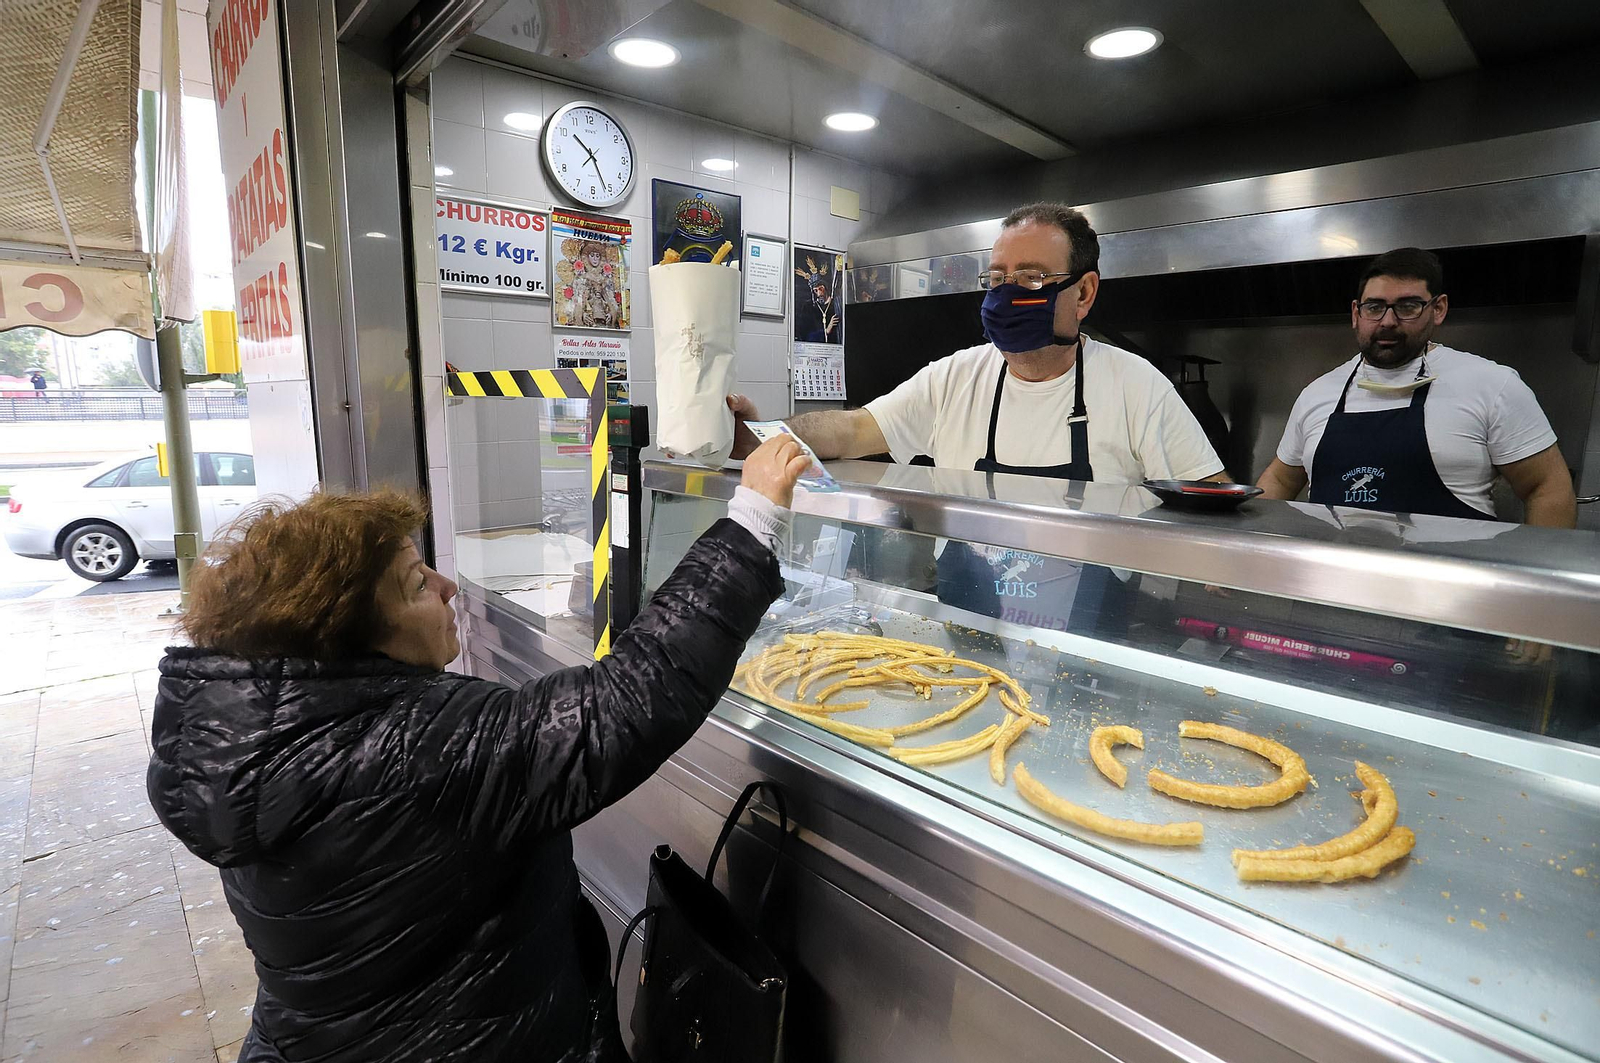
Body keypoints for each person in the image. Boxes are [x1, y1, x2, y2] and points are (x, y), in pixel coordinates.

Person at [146, 436, 812, 1063]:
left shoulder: (260, 736)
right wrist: (751, 518)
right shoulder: (410, 751)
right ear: (350, 640)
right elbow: (629, 701)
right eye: (415, 584)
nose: (446, 587)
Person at [730, 201, 1226, 632]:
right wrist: (765, 437)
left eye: (1032, 277)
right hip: (969, 636)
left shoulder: (1135, 385)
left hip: (1087, 648)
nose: (1008, 293)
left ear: (1084, 293)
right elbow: (855, 427)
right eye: (997, 278)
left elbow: (1213, 508)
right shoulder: (956, 376)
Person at [1256, 247, 1576, 527]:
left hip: (1448, 591)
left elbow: (1547, 487)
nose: (1388, 321)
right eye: (1374, 307)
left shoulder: (1492, 385)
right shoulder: (1318, 393)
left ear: (1438, 309)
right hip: (1330, 587)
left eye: (1408, 306)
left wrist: (1541, 586)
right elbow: (1281, 478)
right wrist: (1247, 549)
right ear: (1356, 313)